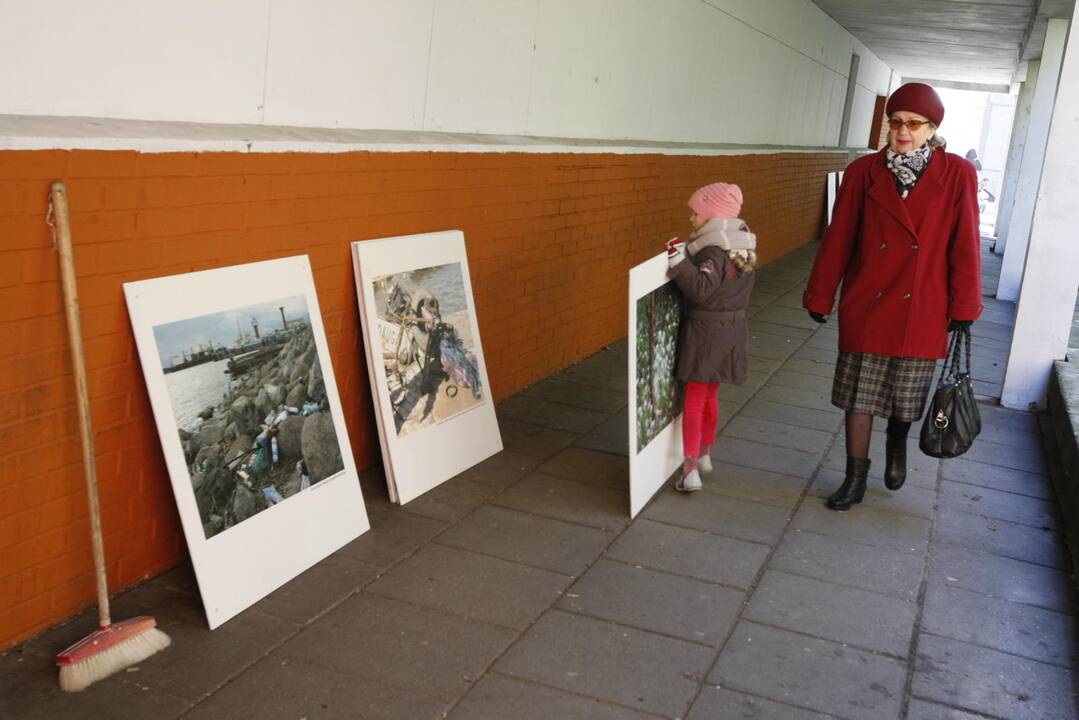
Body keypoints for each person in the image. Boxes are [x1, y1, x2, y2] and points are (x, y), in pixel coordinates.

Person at [803, 82, 982, 511]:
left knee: (905, 399)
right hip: (868, 300)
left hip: (921, 304)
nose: (903, 132)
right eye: (896, 122)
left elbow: (965, 244)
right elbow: (839, 238)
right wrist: (821, 294)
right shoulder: (864, 172)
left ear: (931, 129)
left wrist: (964, 305)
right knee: (858, 398)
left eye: (914, 124)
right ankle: (854, 477)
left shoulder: (957, 173)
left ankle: (897, 443)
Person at [666, 183, 757, 492]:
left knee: (694, 399)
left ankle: (690, 469)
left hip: (706, 333)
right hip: (732, 330)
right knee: (712, 396)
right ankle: (705, 454)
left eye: (695, 213)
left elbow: (702, 289)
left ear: (711, 216)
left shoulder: (711, 250)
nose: (691, 218)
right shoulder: (742, 244)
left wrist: (678, 261)